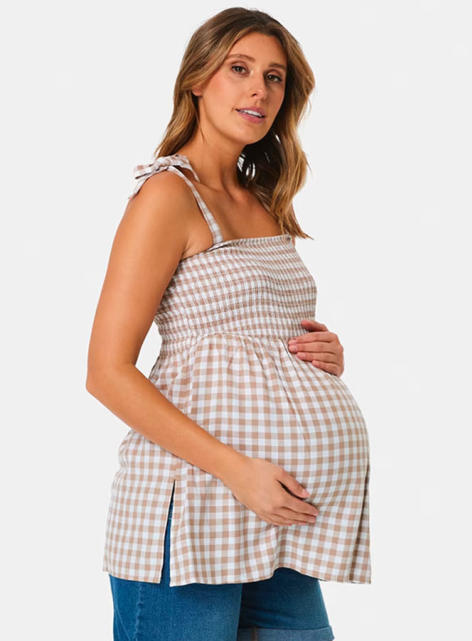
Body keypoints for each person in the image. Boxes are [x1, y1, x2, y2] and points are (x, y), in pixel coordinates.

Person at [85, 8, 370, 641]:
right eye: (238, 70)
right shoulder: (167, 196)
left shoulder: (263, 198)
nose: (258, 91)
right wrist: (237, 470)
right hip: (191, 512)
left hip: (279, 521)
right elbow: (106, 373)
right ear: (198, 80)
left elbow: (254, 333)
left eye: (274, 77)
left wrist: (322, 355)